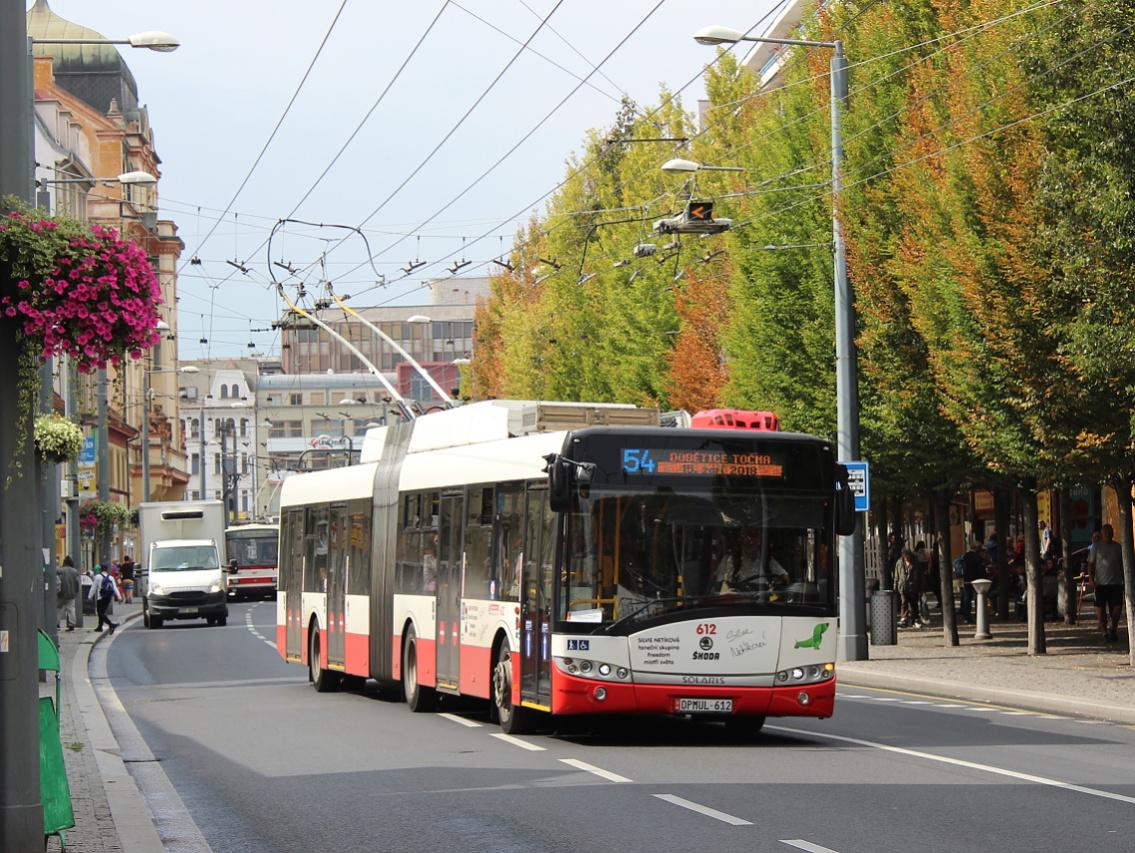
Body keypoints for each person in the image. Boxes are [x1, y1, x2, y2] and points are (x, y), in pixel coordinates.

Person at [1087, 524, 1124, 643]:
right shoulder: (1096, 547)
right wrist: (1091, 579)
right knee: (1101, 608)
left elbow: (1122, 564)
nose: (1108, 534)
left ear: (1113, 533)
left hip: (1116, 582)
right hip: (1101, 584)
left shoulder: (1118, 547)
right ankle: (1104, 632)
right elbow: (1091, 564)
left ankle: (1113, 628)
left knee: (1118, 608)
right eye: (1105, 532)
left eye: (1110, 532)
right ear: (1102, 534)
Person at [894, 548, 924, 628]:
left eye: (907, 554)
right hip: (903, 586)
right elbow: (896, 575)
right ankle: (904, 619)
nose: (906, 556)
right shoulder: (899, 562)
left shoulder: (916, 562)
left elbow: (920, 575)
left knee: (914, 604)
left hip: (914, 586)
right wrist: (895, 586)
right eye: (904, 555)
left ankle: (915, 620)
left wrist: (922, 587)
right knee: (904, 603)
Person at [89, 563, 122, 633]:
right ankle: (100, 626)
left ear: (101, 569)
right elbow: (115, 588)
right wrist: (119, 597)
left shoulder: (98, 577)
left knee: (100, 613)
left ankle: (111, 624)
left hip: (100, 597)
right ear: (107, 569)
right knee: (102, 612)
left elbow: (94, 587)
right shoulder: (111, 577)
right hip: (108, 597)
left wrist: (90, 596)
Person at [959, 540, 987, 624]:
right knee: (978, 598)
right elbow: (981, 569)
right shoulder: (977, 557)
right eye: (979, 547)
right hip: (976, 580)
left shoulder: (965, 556)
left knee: (967, 599)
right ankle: (979, 616)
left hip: (967, 579)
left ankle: (966, 617)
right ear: (976, 547)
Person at [56, 555, 81, 632]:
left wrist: (58, 591)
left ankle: (57, 625)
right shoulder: (75, 571)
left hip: (61, 594)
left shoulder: (61, 570)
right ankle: (71, 625)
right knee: (71, 610)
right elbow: (77, 583)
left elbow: (58, 582)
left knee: (57, 609)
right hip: (71, 594)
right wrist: (75, 592)